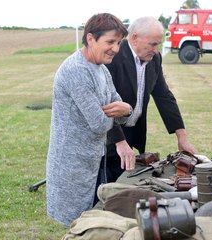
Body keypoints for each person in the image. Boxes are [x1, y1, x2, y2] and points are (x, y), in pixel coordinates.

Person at [46, 13, 132, 226]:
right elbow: (99, 124)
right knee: (77, 227)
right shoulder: (77, 71)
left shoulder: (102, 69)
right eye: (110, 42)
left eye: (118, 42)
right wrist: (118, 112)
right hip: (71, 166)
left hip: (94, 161)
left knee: (94, 224)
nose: (116, 49)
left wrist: (126, 109)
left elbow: (120, 108)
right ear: (91, 38)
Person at [105, 16, 197, 183]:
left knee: (124, 186)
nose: (156, 50)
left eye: (158, 44)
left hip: (132, 133)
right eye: (153, 44)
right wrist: (119, 141)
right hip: (109, 135)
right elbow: (106, 104)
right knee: (105, 187)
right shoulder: (113, 57)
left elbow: (164, 97)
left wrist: (181, 137)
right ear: (134, 38)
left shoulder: (154, 58)